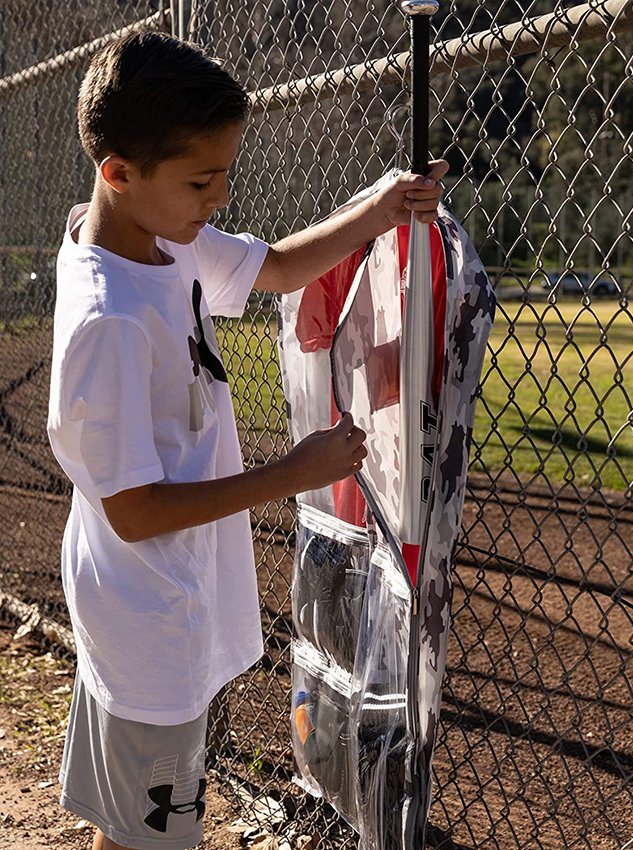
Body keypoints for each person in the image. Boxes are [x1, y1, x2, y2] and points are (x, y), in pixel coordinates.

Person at [46, 31, 448, 850]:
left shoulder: (158, 237)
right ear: (118, 170)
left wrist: (380, 206)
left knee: (133, 821)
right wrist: (291, 473)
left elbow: (278, 268)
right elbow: (133, 508)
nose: (221, 197)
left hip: (149, 597)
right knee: (158, 830)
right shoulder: (109, 320)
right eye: (203, 179)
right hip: (145, 608)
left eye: (226, 172)